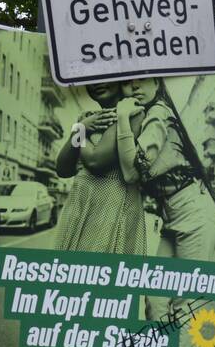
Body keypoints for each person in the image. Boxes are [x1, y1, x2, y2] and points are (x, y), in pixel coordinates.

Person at [115, 77, 215, 347]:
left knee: (184, 303)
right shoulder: (148, 114)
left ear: (157, 84)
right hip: (170, 212)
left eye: (140, 81)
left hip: (194, 210)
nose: (133, 87)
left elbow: (135, 171)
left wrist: (120, 120)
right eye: (128, 82)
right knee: (155, 297)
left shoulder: (158, 114)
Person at [53, 82, 146, 255]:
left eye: (105, 78)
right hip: (80, 206)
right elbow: (63, 169)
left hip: (112, 207)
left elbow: (96, 161)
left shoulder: (132, 112)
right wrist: (81, 129)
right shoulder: (87, 117)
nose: (97, 84)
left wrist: (79, 130)